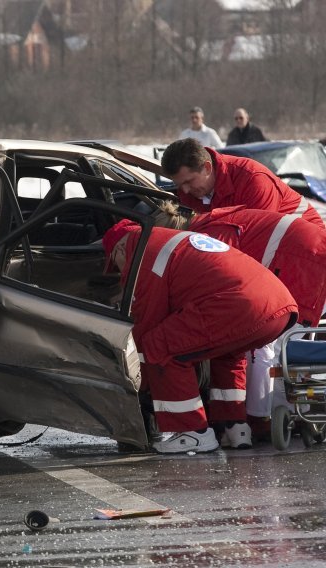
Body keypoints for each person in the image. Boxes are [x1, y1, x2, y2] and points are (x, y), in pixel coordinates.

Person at [102, 220, 298, 453]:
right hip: (279, 305)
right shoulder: (171, 241)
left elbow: (146, 322)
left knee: (159, 346)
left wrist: (135, 379)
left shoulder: (144, 255)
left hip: (241, 305)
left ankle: (191, 431)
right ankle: (234, 427)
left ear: (120, 250)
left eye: (116, 265)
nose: (121, 273)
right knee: (226, 355)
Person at [153, 201, 326, 436]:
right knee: (286, 342)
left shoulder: (208, 235)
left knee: (265, 345)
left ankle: (260, 417)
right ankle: (288, 410)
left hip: (300, 260)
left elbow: (219, 279)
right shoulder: (214, 223)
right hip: (305, 254)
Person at [161, 137, 324, 228]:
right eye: (180, 184)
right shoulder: (188, 190)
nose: (185, 191)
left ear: (207, 167)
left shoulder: (253, 180)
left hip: (306, 247)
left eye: (189, 181)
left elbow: (261, 237)